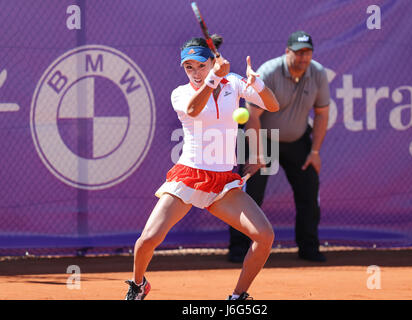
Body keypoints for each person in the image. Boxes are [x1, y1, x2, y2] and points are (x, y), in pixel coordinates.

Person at [124, 34, 279, 300]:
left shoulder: (234, 83)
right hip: (189, 176)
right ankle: (139, 285)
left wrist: (259, 85)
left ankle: (238, 296)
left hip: (223, 183)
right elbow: (194, 110)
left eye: (200, 65)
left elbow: (273, 105)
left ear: (212, 61)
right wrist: (212, 78)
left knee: (265, 236)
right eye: (189, 67)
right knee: (147, 240)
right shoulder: (180, 93)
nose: (195, 72)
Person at [228, 30, 330, 263]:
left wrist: (315, 152)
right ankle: (238, 249)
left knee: (309, 192)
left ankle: (308, 248)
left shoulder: (318, 73)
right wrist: (255, 152)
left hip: (298, 140)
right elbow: (252, 116)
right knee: (249, 196)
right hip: (262, 137)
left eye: (308, 52)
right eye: (299, 52)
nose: (304, 57)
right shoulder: (269, 72)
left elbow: (322, 114)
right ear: (287, 52)